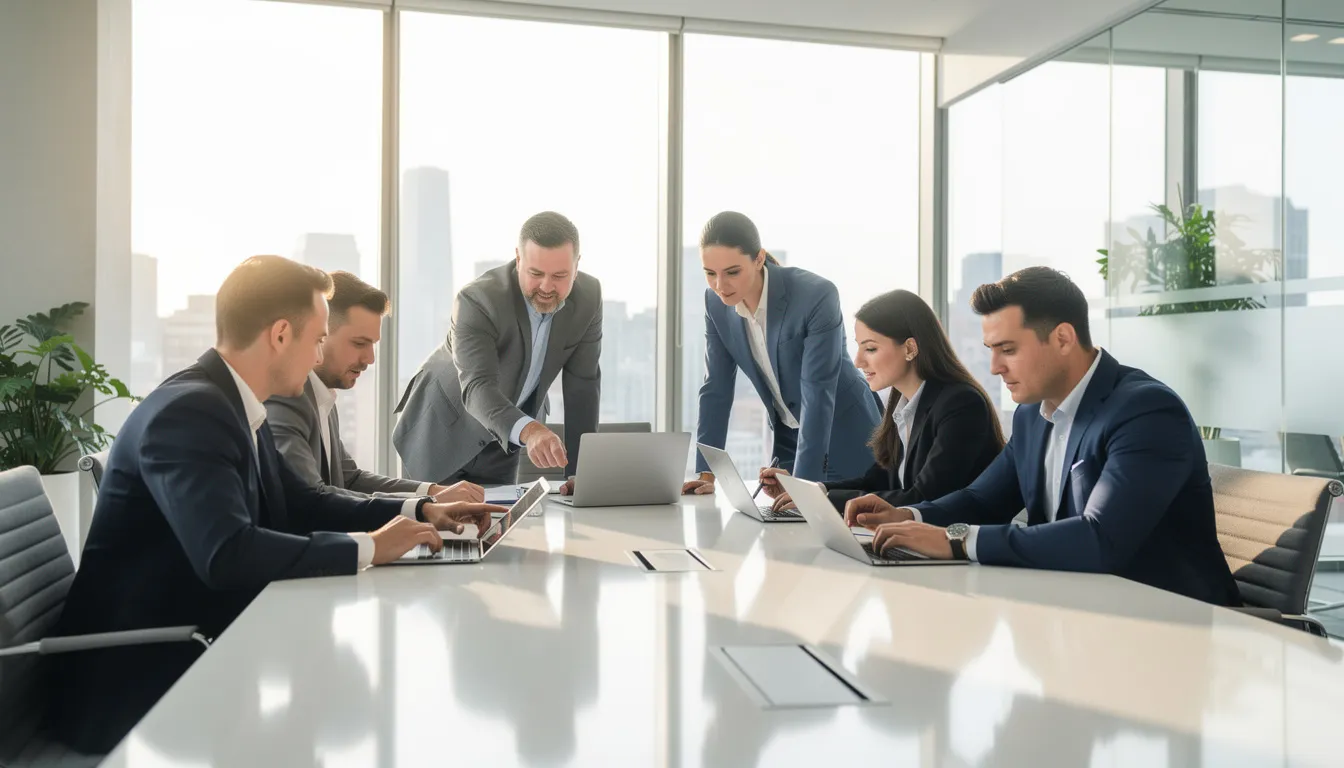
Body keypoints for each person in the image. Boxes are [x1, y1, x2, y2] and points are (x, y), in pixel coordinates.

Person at [49, 256, 506, 753]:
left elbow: (301, 501)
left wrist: (416, 513)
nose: (317, 358)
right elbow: (226, 553)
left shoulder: (234, 404)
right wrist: (369, 549)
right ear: (281, 334)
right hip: (138, 680)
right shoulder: (190, 413)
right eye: (316, 339)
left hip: (195, 643)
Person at [844, 267, 1240, 606]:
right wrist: (910, 516)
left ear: (1063, 338)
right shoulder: (1033, 414)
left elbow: (1100, 537)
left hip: (1169, 623)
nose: (995, 367)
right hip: (1071, 610)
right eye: (990, 350)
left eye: (1008, 349)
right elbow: (983, 498)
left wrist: (956, 541)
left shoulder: (1146, 411)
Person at [394, 212, 600, 492]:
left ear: (577, 265)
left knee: (498, 528)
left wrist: (580, 473)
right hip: (441, 431)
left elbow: (583, 386)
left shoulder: (588, 297)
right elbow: (478, 386)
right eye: (536, 273)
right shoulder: (478, 299)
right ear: (518, 259)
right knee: (435, 530)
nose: (546, 287)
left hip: (506, 437)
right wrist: (531, 431)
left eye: (560, 276)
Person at [683, 212, 880, 496]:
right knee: (785, 532)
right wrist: (706, 473)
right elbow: (716, 387)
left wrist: (804, 486)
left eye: (732, 272)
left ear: (759, 258)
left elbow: (817, 392)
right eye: (710, 273)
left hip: (847, 435)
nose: (720, 286)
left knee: (854, 530)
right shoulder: (715, 304)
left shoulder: (815, 295)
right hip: (790, 442)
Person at [759, 289, 1004, 513]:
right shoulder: (904, 405)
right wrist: (808, 491)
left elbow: (926, 496)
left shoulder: (960, 404)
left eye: (871, 349)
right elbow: (877, 480)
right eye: (859, 348)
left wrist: (825, 501)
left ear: (910, 348)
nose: (858, 362)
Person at [266, 271, 484, 505]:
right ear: (321, 334)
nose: (370, 358)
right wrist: (421, 508)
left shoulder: (322, 397)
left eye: (373, 345)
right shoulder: (287, 398)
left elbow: (351, 479)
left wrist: (433, 492)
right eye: (359, 343)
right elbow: (310, 499)